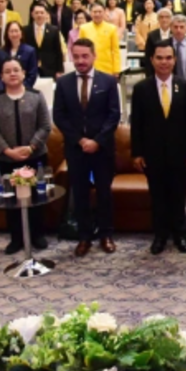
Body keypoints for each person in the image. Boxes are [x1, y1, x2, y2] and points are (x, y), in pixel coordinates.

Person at [53, 38, 122, 257]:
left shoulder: (108, 82)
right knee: (80, 193)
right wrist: (81, 141)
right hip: (76, 149)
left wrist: (97, 141)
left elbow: (114, 115)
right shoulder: (63, 83)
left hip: (102, 149)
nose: (81, 61)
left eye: (85, 56)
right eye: (76, 57)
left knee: (104, 193)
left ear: (94, 56)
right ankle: (84, 237)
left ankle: (106, 235)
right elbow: (59, 116)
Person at [130, 41, 186, 255]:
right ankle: (160, 236)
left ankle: (180, 234)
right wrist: (137, 153)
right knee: (158, 196)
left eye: (168, 58)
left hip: (179, 152)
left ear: (174, 60)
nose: (164, 62)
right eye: (159, 58)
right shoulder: (141, 88)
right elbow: (136, 124)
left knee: (178, 195)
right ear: (151, 60)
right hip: (153, 153)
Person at [0, 58, 52, 254]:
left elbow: (45, 126)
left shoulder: (36, 96)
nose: (12, 74)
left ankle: (38, 235)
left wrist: (31, 147)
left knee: (37, 198)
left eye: (16, 70)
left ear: (23, 73)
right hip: (7, 159)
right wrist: (7, 151)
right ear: (1, 76)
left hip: (35, 157)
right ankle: (16, 238)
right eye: (7, 71)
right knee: (11, 199)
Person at [0, 21, 39, 91]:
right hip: (4, 91)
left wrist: (21, 89)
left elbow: (32, 75)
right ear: (7, 34)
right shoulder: (0, 52)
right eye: (11, 31)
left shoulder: (30, 51)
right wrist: (3, 89)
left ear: (21, 33)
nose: (14, 34)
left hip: (24, 91)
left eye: (16, 31)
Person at [78, 4, 121, 77]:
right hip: (88, 67)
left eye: (100, 12)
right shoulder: (83, 28)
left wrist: (116, 69)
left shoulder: (112, 28)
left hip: (107, 67)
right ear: (90, 13)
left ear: (104, 13)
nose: (97, 14)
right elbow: (80, 50)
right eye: (95, 12)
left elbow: (115, 50)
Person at [24, 4, 65, 79]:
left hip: (49, 68)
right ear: (32, 14)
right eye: (36, 13)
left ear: (46, 14)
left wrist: (59, 70)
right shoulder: (25, 30)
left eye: (42, 13)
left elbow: (58, 51)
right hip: (31, 68)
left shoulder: (54, 30)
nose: (39, 15)